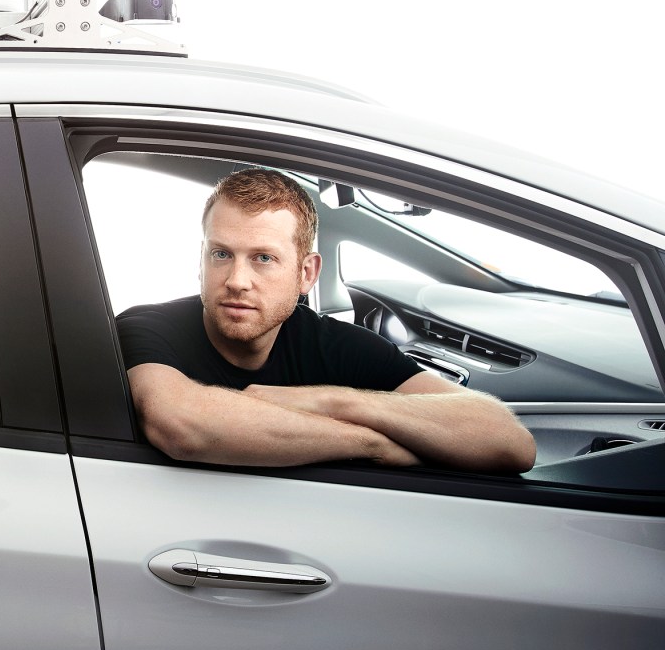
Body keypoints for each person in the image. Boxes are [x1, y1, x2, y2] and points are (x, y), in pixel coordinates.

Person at [117, 168, 535, 473]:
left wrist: (335, 401)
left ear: (307, 273)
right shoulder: (148, 328)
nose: (237, 281)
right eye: (221, 254)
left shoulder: (338, 346)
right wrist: (371, 443)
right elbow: (180, 426)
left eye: (263, 258)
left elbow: (509, 444)